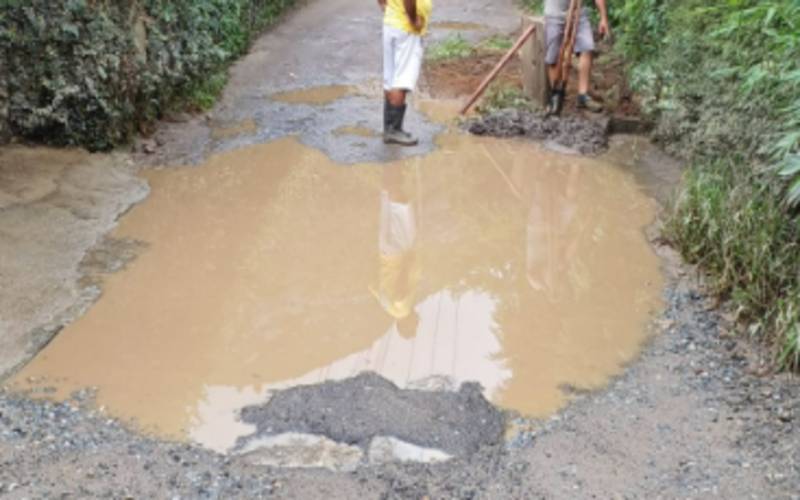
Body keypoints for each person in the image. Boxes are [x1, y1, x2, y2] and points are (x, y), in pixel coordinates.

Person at [378, 0, 433, 146]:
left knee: (390, 78)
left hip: (392, 23)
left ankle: (389, 128)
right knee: (402, 79)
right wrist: (413, 18)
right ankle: (394, 130)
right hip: (406, 28)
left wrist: (384, 5)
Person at [545, 0, 610, 113]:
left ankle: (583, 95)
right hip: (554, 14)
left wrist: (603, 18)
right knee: (553, 57)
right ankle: (555, 94)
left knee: (587, 48)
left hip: (578, 13)